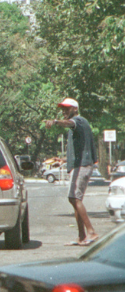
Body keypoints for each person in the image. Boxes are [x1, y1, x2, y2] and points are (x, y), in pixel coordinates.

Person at [46, 97, 98, 246]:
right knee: (75, 199)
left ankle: (91, 232)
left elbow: (70, 123)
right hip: (79, 164)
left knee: (74, 198)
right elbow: (79, 148)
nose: (64, 111)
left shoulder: (78, 121)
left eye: (66, 108)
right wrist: (63, 159)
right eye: (62, 109)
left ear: (75, 109)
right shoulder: (79, 124)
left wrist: (55, 122)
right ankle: (81, 236)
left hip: (82, 166)